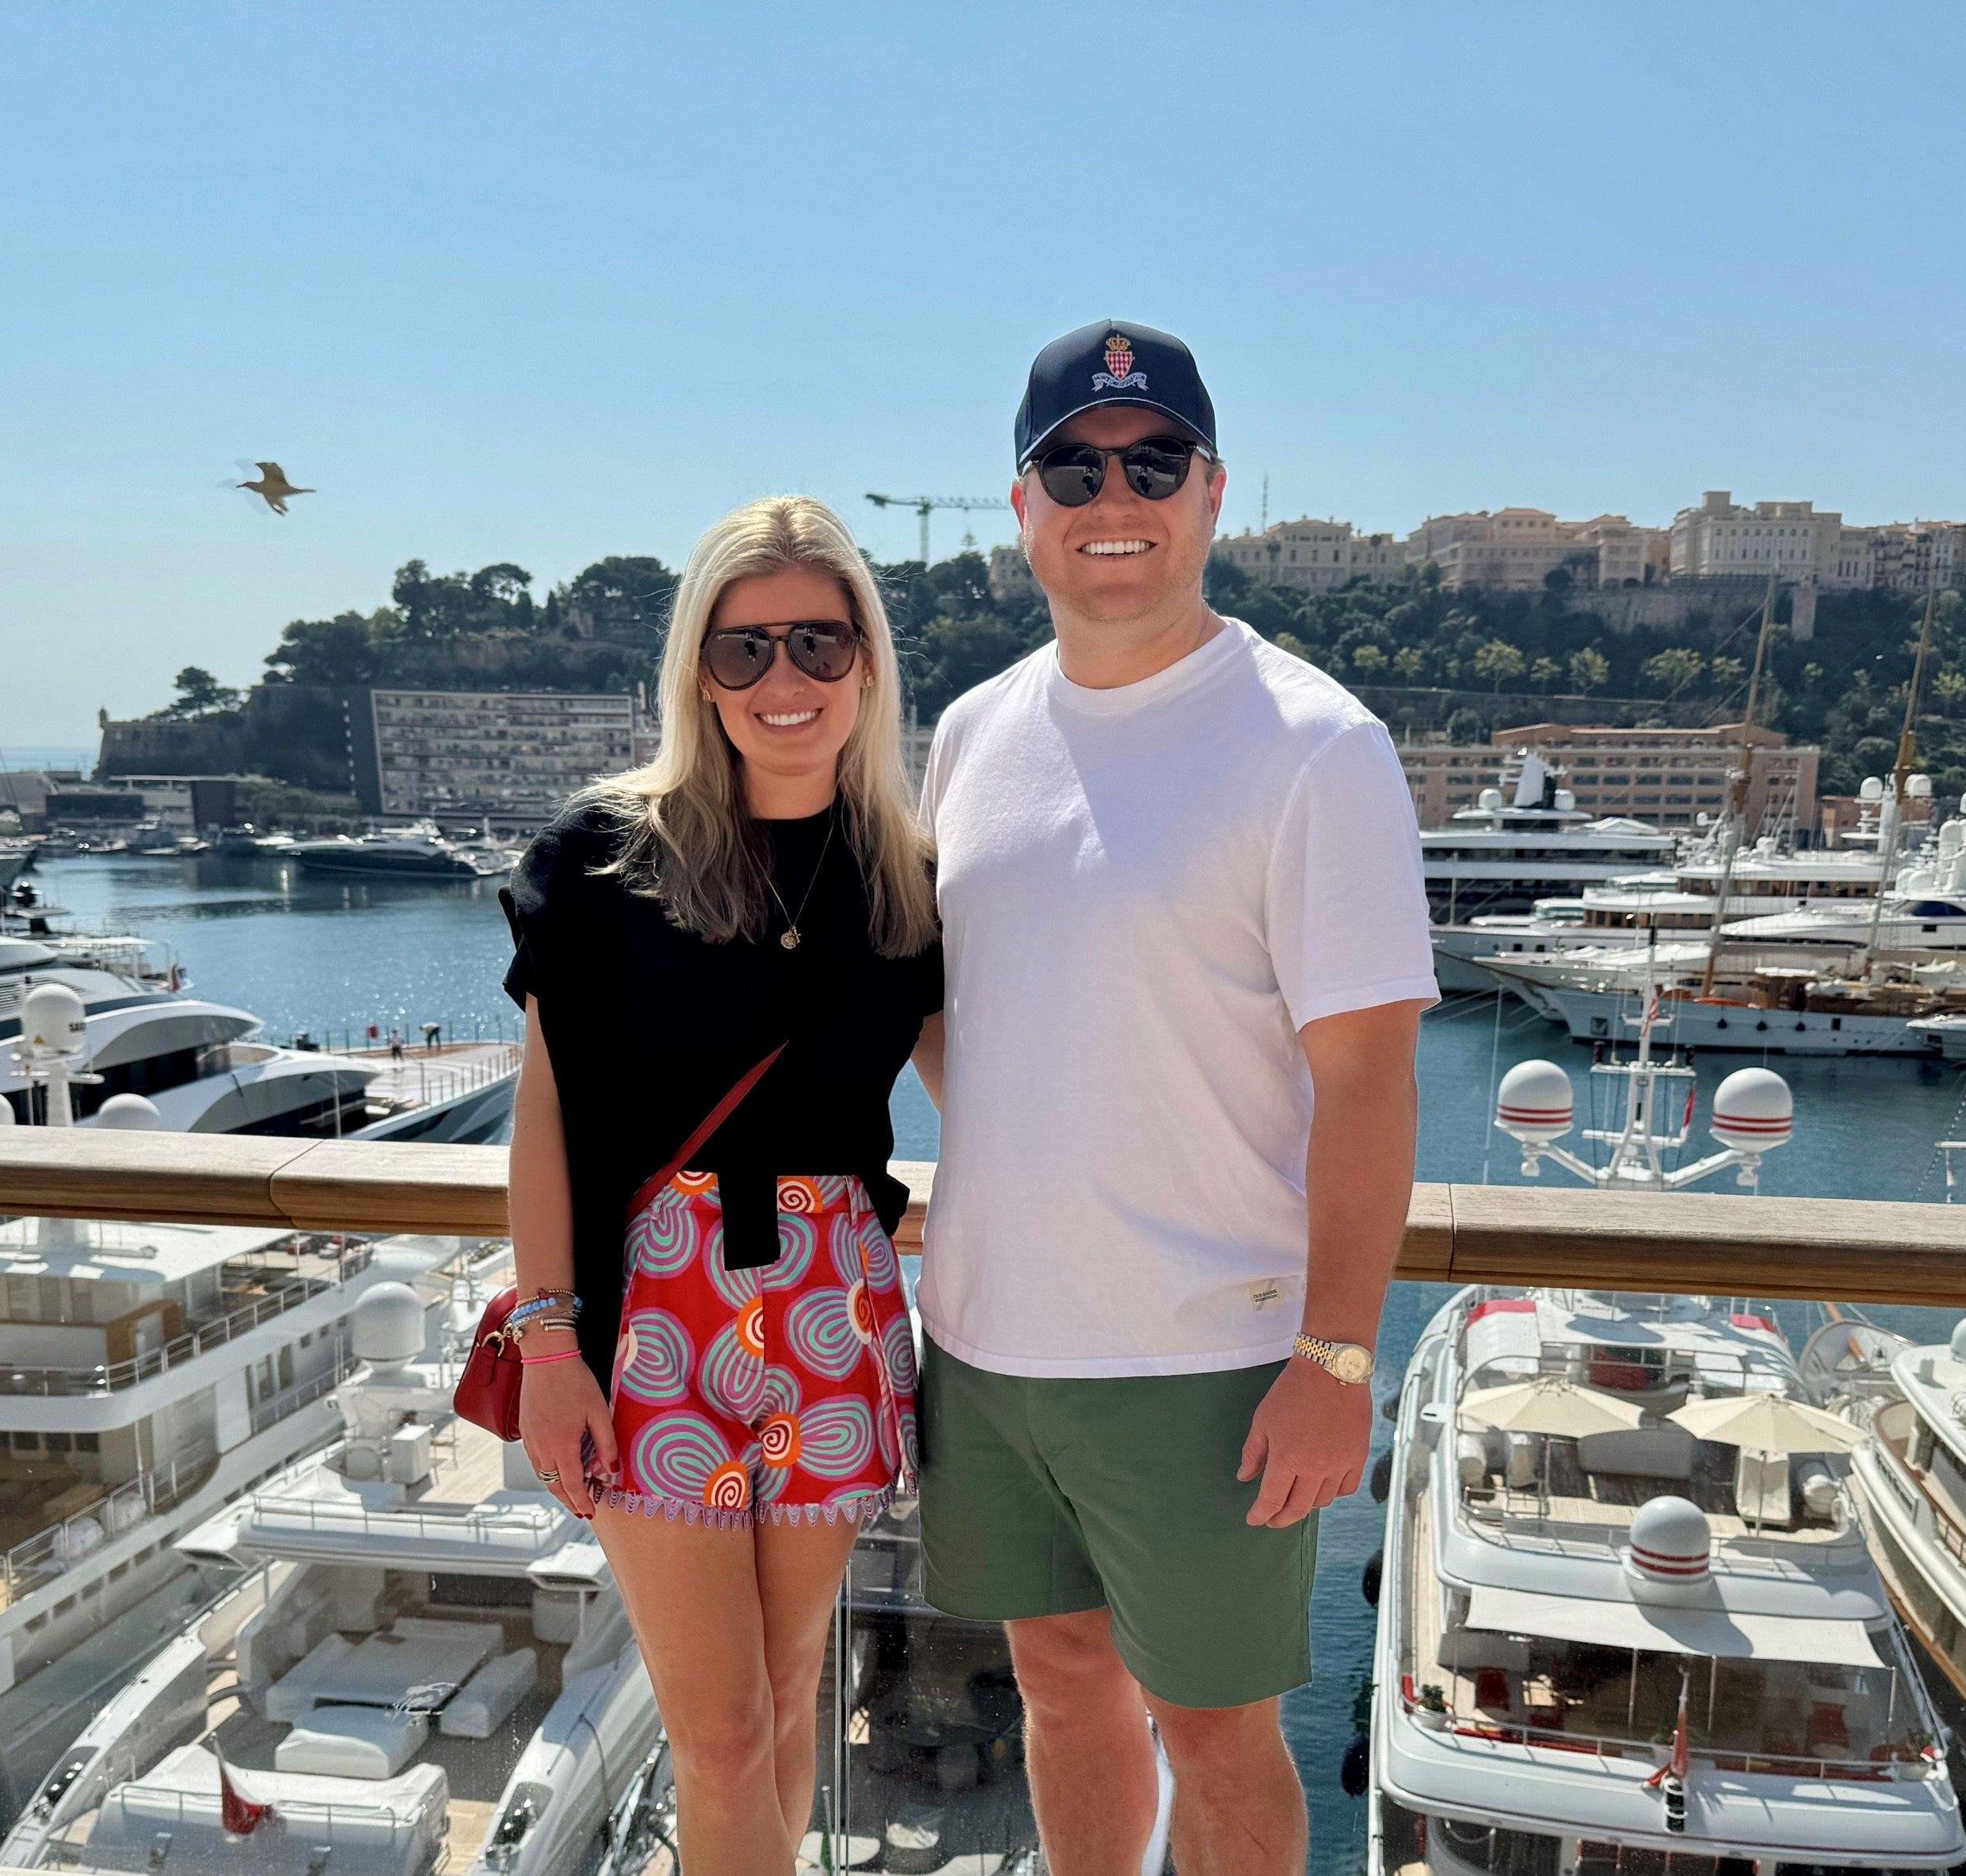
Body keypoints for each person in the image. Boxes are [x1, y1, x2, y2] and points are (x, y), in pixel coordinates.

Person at [917, 320, 1436, 1874]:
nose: (1114, 498)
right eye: (1074, 468)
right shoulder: (972, 734)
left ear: (1213, 492)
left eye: (1153, 462)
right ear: (1023, 504)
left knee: (1217, 1738)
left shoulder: (1318, 746)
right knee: (1058, 1683)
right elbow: (960, 1018)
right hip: (990, 1342)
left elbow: (1370, 1083)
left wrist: (1337, 1354)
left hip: (1208, 1357)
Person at [500, 495, 943, 1874]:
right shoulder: (604, 860)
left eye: (819, 641)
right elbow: (543, 1118)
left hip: (836, 1310)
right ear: (699, 670)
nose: (783, 677)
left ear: (866, 661)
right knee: (724, 1729)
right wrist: (548, 1344)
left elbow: (1000, 1096)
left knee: (789, 1691)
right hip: (653, 1316)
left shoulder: (910, 881)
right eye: (745, 647)